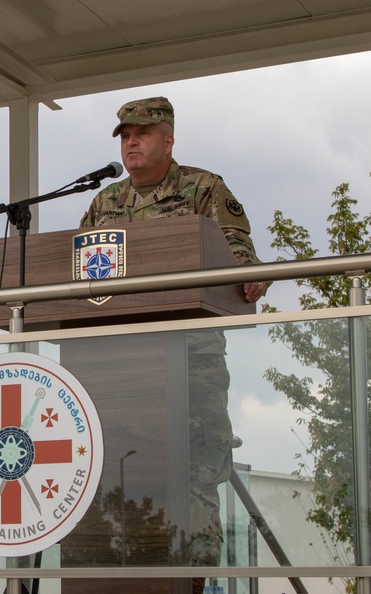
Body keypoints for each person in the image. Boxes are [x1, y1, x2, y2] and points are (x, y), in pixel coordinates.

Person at [79, 96, 266, 572]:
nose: (130, 142)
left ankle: (195, 578)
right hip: (118, 369)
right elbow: (70, 273)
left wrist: (249, 273)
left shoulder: (202, 187)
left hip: (190, 359)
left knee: (194, 476)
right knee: (116, 475)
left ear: (168, 139)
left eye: (140, 133)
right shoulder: (104, 202)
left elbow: (238, 251)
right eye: (124, 135)